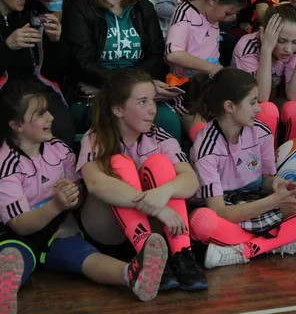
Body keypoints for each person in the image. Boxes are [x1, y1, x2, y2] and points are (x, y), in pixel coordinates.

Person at [0, 81, 169, 314]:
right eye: (40, 114)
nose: (51, 117)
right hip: (19, 237)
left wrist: (71, 197)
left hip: (59, 232)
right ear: (17, 125)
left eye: (48, 110)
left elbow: (79, 198)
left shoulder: (60, 150)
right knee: (15, 259)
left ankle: (132, 274)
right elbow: (19, 225)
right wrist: (57, 204)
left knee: (86, 258)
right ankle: (4, 288)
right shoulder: (6, 164)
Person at [186, 68, 296, 268]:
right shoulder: (206, 148)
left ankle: (242, 250)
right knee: (201, 221)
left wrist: (278, 185)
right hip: (228, 212)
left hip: (256, 202)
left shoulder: (261, 132)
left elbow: (265, 179)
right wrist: (273, 201)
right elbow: (219, 211)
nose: (258, 109)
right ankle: (281, 241)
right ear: (230, 106)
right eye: (253, 102)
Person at [77, 69, 207, 291]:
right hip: (107, 231)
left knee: (159, 164)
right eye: (142, 102)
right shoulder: (97, 137)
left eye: (153, 101)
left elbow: (191, 181)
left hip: (155, 232)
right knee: (119, 164)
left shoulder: (158, 136)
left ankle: (181, 254)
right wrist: (158, 209)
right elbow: (96, 183)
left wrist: (163, 192)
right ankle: (147, 253)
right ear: (118, 109)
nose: (152, 110)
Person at [62, 0, 182, 142]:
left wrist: (132, 88)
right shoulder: (80, 6)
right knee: (137, 119)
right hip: (95, 96)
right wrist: (130, 87)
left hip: (127, 89)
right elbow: (82, 63)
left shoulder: (142, 6)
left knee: (170, 121)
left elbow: (155, 57)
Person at [0, 0, 75, 147]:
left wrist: (56, 41)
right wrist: (7, 47)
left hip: (35, 91)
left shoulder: (35, 11)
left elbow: (55, 72)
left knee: (61, 129)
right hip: (5, 96)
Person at [165, 0, 247, 129]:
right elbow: (173, 53)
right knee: (203, 129)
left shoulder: (212, 15)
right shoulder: (185, 13)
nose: (230, 18)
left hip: (210, 87)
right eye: (228, 13)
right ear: (213, 0)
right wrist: (213, 68)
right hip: (186, 90)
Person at [231, 5, 296, 144]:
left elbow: (294, 95)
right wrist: (266, 48)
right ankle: (266, 162)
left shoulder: (294, 51)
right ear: (263, 33)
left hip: (272, 100)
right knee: (267, 110)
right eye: (281, 41)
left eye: (295, 42)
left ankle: (293, 162)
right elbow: (261, 96)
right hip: (242, 106)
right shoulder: (247, 46)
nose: (289, 49)